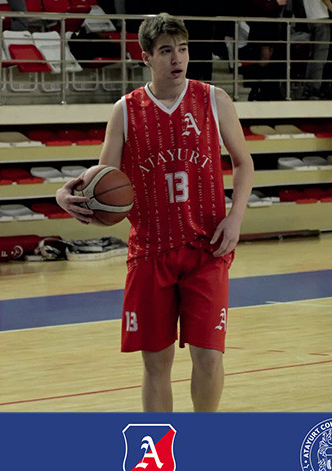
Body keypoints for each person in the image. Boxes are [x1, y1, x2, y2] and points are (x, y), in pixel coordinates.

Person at [56, 13, 254, 412]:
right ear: (146, 57)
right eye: (165, 51)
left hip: (206, 247)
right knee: (156, 362)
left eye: (182, 49)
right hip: (150, 250)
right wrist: (67, 194)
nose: (177, 58)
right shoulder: (126, 110)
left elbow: (243, 163)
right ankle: (160, 444)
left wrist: (235, 218)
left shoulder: (214, 99)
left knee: (209, 355)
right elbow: (104, 178)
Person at [244, 0, 289, 101]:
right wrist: (276, 4)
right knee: (263, 61)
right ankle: (257, 90)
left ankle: (267, 91)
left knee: (271, 62)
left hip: (272, 32)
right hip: (261, 32)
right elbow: (261, 10)